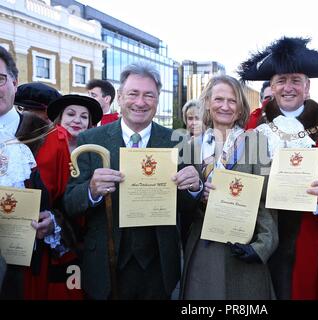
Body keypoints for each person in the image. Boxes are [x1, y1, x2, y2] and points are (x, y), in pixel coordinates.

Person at [63, 61, 201, 300]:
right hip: (105, 265)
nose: (140, 102)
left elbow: (187, 209)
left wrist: (193, 188)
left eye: (149, 95)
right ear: (119, 97)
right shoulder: (90, 139)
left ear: (158, 100)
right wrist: (91, 190)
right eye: (133, 94)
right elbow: (69, 203)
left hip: (158, 267)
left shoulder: (177, 141)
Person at [238, 36, 318, 299]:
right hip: (261, 230)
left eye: (295, 81)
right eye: (281, 80)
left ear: (308, 86)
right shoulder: (255, 123)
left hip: (307, 233)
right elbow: (243, 174)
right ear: (272, 85)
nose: (287, 88)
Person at [179, 75, 278, 300]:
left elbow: (265, 199)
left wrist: (262, 246)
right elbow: (180, 205)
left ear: (240, 107)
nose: (225, 106)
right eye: (219, 99)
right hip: (204, 248)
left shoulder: (255, 143)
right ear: (207, 103)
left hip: (243, 244)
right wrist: (195, 192)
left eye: (232, 101)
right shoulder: (190, 146)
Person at [27, 94, 102, 300]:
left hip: (86, 238)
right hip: (52, 239)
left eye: (84, 116)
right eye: (71, 114)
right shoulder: (47, 147)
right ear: (59, 118)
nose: (77, 120)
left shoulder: (96, 152)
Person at [0, 46, 57, 299]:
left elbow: (67, 203)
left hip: (28, 274)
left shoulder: (49, 137)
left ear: (14, 81)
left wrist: (53, 222)